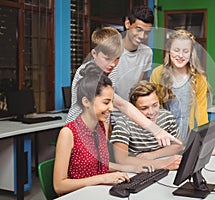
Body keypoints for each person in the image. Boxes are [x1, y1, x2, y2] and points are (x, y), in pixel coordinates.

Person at [65, 26, 181, 147]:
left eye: (117, 58)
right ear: (94, 53)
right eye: (107, 58)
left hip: (99, 130)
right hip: (79, 132)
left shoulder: (110, 69)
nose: (113, 64)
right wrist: (155, 130)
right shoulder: (87, 73)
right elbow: (121, 104)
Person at [53, 65, 154, 195]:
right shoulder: (68, 133)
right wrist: (103, 178)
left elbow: (100, 165)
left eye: (112, 102)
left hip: (98, 192)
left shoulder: (102, 127)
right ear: (86, 102)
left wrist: (132, 168)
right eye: (106, 102)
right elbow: (59, 185)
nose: (111, 108)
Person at [150, 29, 215, 155]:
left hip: (188, 139)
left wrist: (207, 146)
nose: (180, 55)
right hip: (163, 139)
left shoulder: (199, 79)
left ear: (191, 53)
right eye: (176, 50)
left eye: (185, 51)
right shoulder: (157, 74)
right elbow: (152, 111)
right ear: (169, 51)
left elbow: (201, 114)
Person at [110, 81, 183, 170]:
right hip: (136, 170)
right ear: (134, 109)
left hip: (160, 165)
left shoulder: (166, 116)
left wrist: (152, 155)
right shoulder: (123, 124)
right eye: (144, 108)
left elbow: (178, 146)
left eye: (155, 105)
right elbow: (121, 160)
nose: (151, 112)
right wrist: (163, 164)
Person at [108, 5, 154, 126]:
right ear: (128, 24)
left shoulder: (147, 53)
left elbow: (139, 87)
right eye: (138, 29)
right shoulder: (111, 51)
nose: (142, 36)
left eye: (147, 32)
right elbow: (101, 90)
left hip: (133, 118)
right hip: (109, 116)